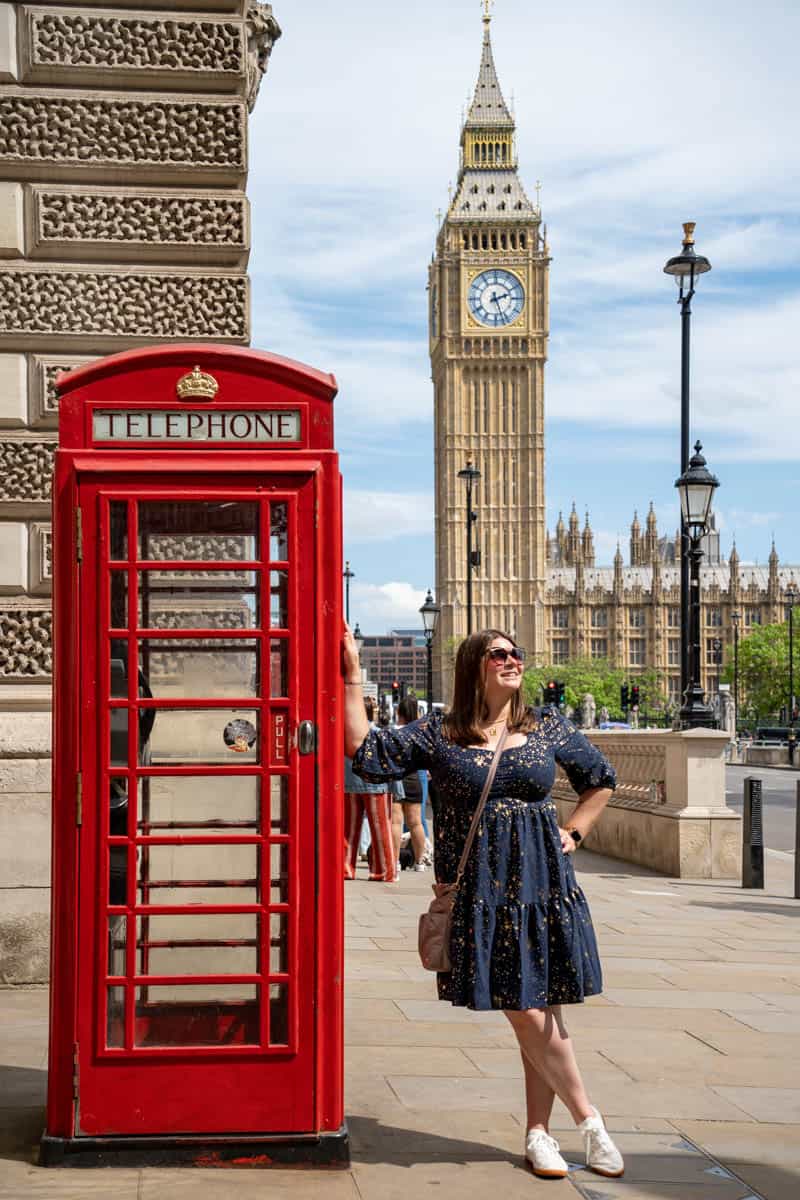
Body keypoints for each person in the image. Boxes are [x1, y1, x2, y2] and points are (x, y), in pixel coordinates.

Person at [342, 624, 625, 1181]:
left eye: (516, 653)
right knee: (526, 1009)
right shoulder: (443, 733)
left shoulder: (546, 726)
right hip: (481, 889)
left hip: (543, 884)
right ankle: (589, 1119)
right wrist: (352, 675)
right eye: (499, 654)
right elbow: (365, 749)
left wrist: (576, 832)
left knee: (536, 1007)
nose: (512, 660)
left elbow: (601, 779)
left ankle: (540, 1135)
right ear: (475, 666)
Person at [343, 696, 396, 883]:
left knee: (347, 831)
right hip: (376, 785)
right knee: (381, 830)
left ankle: (346, 867)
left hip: (348, 784)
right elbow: (390, 764)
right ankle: (384, 871)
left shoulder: (344, 733)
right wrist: (396, 787)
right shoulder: (377, 734)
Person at [392, 696, 429, 872]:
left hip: (397, 778)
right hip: (415, 778)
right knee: (416, 823)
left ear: (399, 712)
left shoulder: (394, 731)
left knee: (396, 822)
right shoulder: (420, 732)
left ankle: (395, 861)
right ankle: (420, 862)